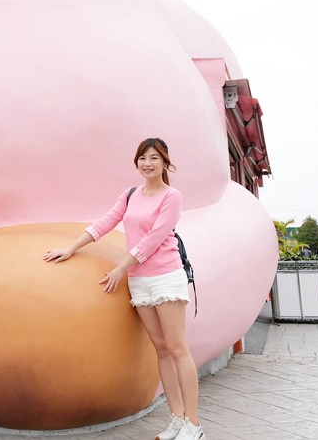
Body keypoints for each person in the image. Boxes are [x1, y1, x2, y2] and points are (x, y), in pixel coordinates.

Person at [43, 138, 205, 440]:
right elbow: (106, 222)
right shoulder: (131, 194)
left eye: (154, 158)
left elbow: (155, 238)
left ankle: (194, 425)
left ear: (165, 163)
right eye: (143, 158)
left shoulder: (172, 196)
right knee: (160, 349)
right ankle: (176, 418)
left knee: (177, 348)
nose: (147, 163)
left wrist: (120, 268)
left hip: (165, 276)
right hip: (139, 279)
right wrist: (71, 247)